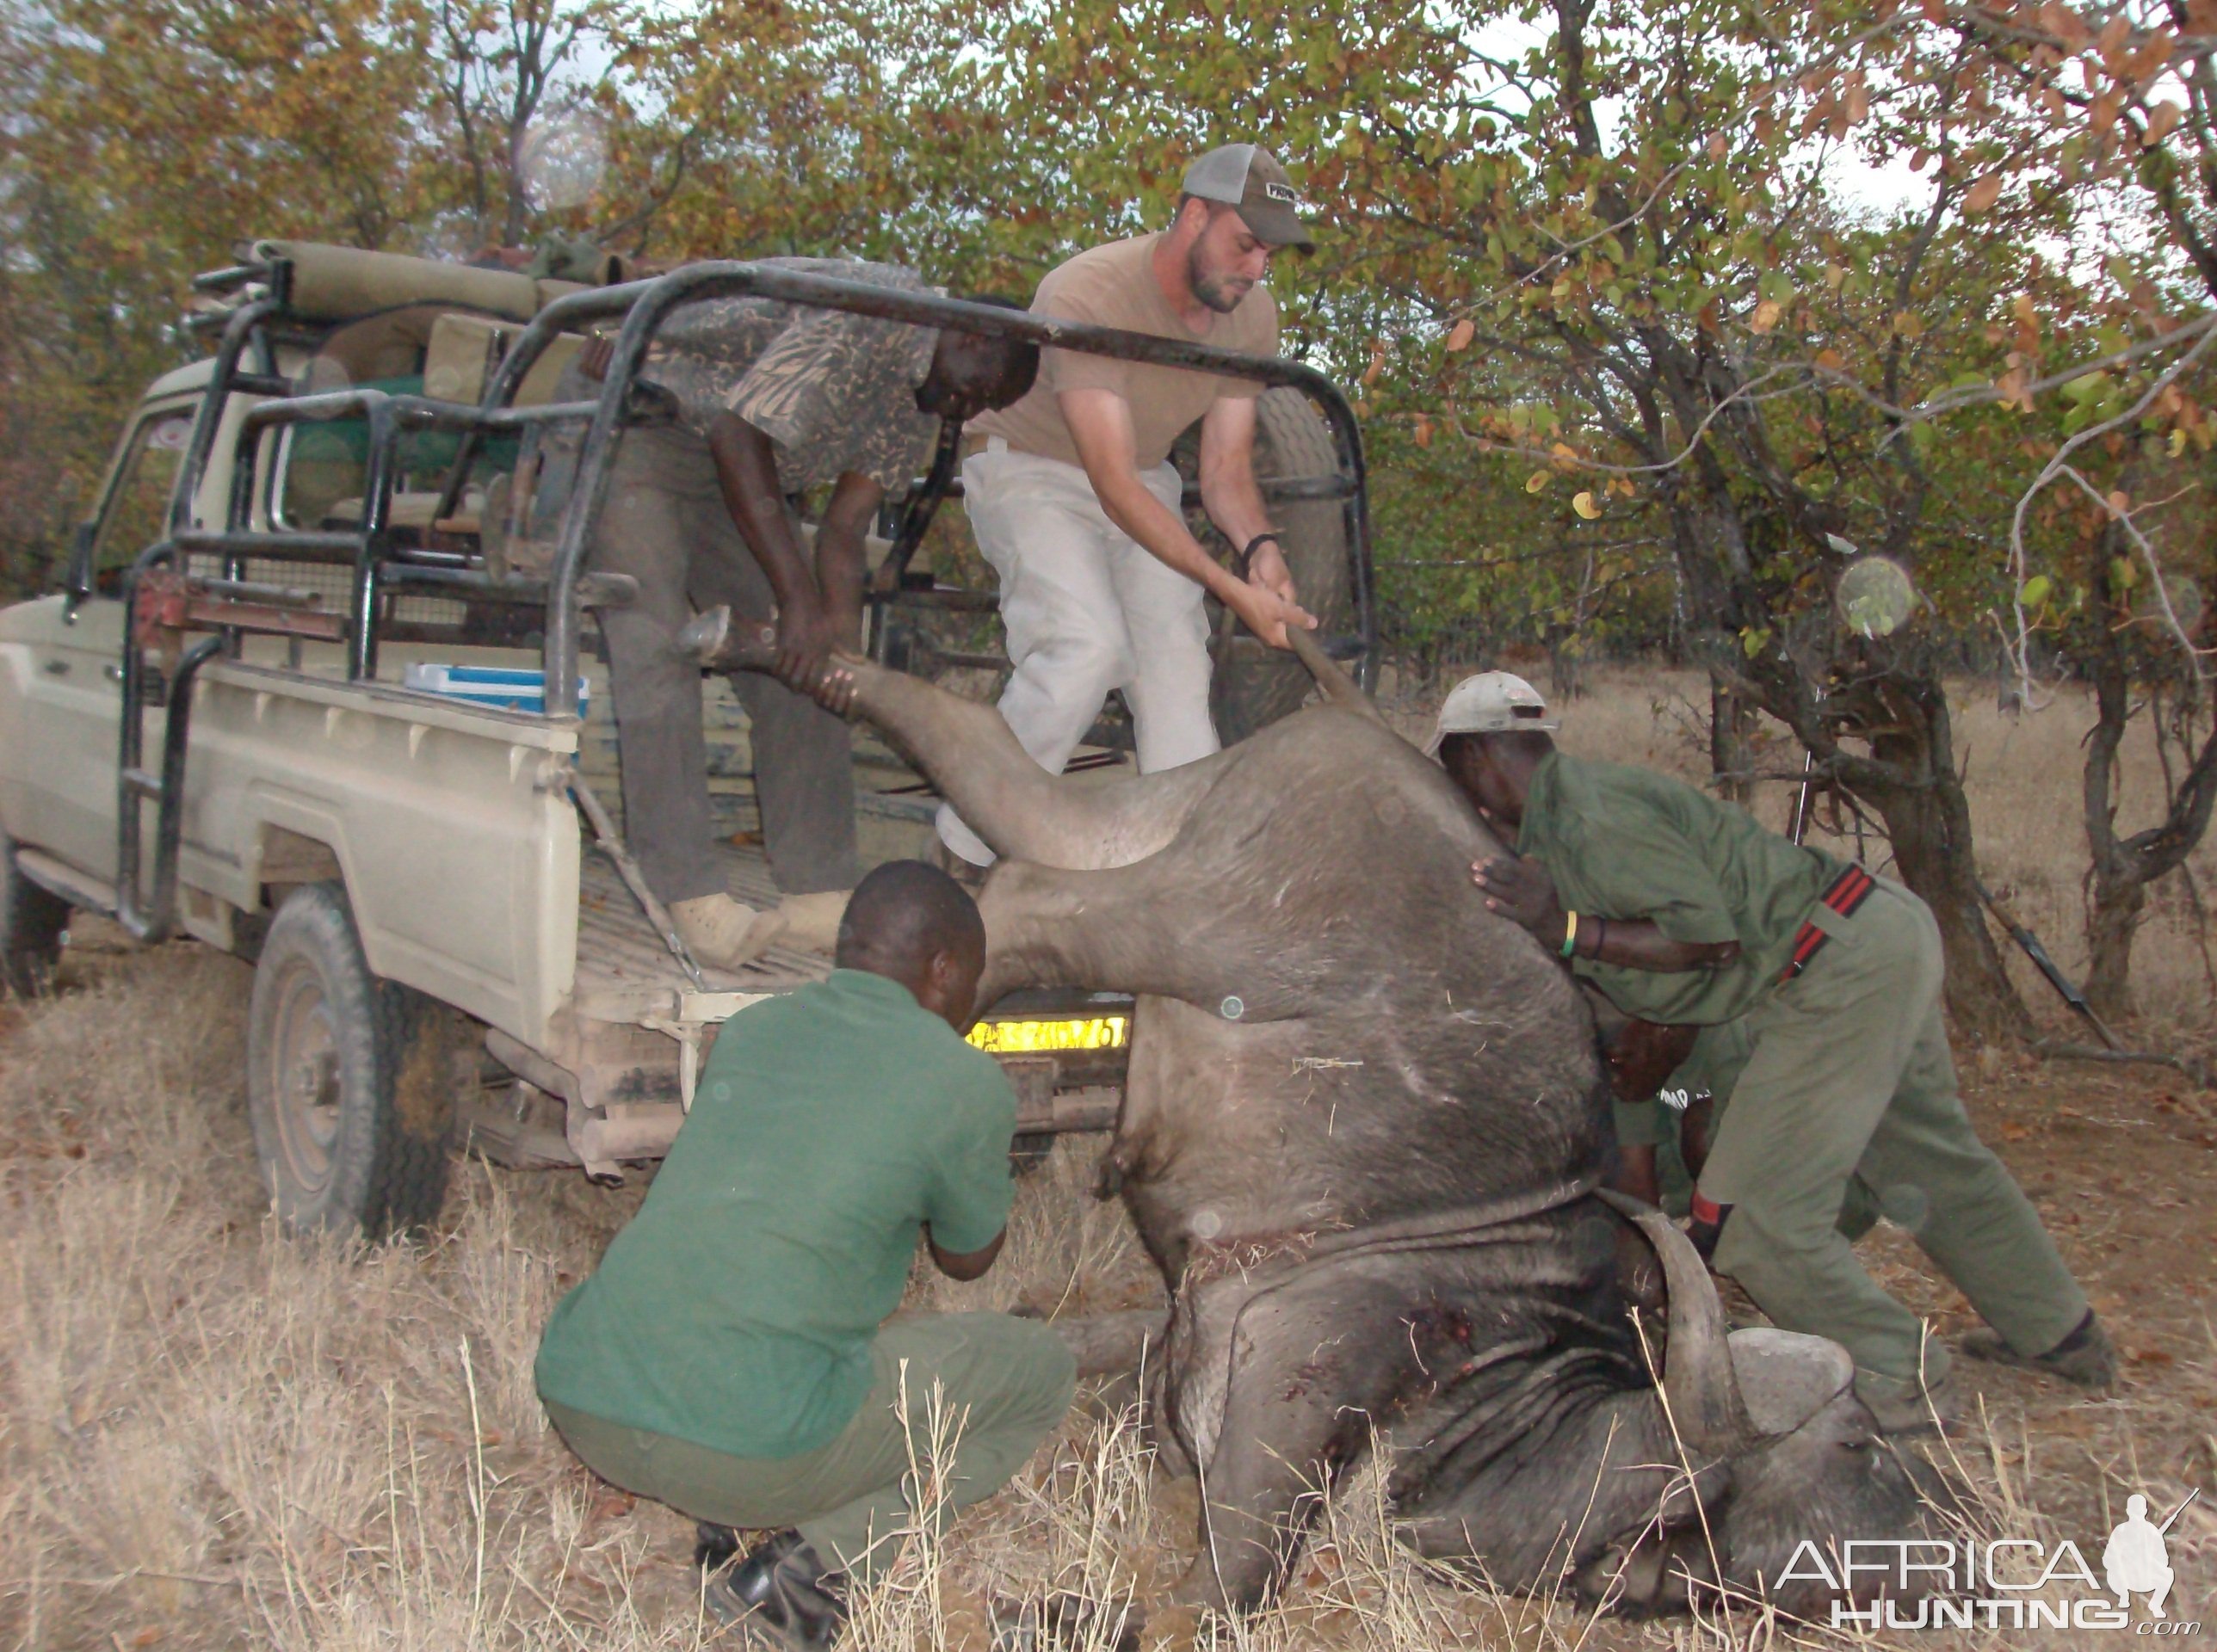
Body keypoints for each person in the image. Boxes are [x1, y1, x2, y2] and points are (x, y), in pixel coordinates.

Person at [1430, 669, 2115, 1433]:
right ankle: (2062, 1335)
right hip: (1871, 935)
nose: (1465, 798)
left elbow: (1707, 936)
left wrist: (1564, 929)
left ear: (1482, 752)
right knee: (1926, 1161)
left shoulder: (1586, 816)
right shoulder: (1573, 821)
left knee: (1756, 1225)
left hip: (1833, 962)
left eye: (1454, 772)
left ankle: (1901, 1382)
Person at [534, 860, 1076, 1648]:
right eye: (974, 982)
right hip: (747, 1451)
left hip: (587, 1398)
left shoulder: (757, 1027)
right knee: (1040, 1374)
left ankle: (726, 1518)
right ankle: (810, 1574)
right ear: (945, 968)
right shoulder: (961, 1078)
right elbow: (967, 1259)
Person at [552, 259, 1039, 966]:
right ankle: (687, 894)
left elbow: (843, 532)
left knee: (806, 669)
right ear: (965, 334)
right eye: (983, 384)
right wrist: (798, 601)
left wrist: (835, 652)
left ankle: (820, 892)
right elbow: (737, 433)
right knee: (655, 647)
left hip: (731, 472)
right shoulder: (876, 314)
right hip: (640, 422)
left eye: (988, 401)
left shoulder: (921, 402)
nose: (972, 406)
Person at [935, 143, 1320, 876]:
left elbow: (1225, 469)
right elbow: (1111, 484)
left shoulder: (1252, 316)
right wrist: (1229, 588)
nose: (1257, 269)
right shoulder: (1088, 292)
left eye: (1269, 253)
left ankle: (1180, 875)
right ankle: (964, 850)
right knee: (1085, 647)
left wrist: (1260, 551)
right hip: (1033, 470)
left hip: (1143, 477)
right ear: (1194, 215)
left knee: (1176, 663)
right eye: (1245, 245)